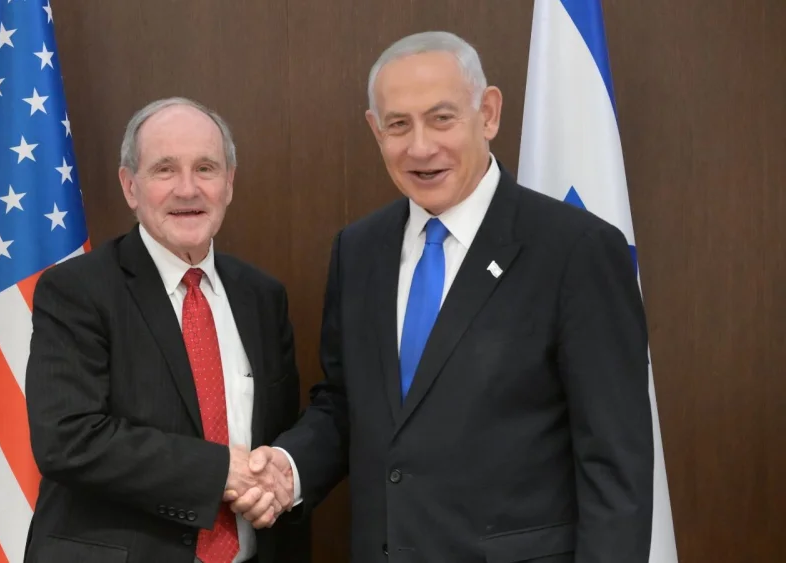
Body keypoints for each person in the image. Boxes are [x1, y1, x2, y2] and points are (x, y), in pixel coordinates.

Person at [231, 31, 654, 562]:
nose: (421, 147)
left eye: (442, 118)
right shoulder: (359, 250)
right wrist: (288, 468)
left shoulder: (576, 251)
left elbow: (614, 463)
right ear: (374, 130)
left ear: (490, 113)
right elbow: (346, 403)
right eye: (398, 125)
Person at [23, 97, 310, 563]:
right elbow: (67, 439)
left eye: (205, 168)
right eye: (164, 170)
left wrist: (276, 475)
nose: (187, 189)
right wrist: (220, 472)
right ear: (130, 186)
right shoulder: (77, 290)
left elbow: (279, 434)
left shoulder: (263, 296)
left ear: (229, 183)